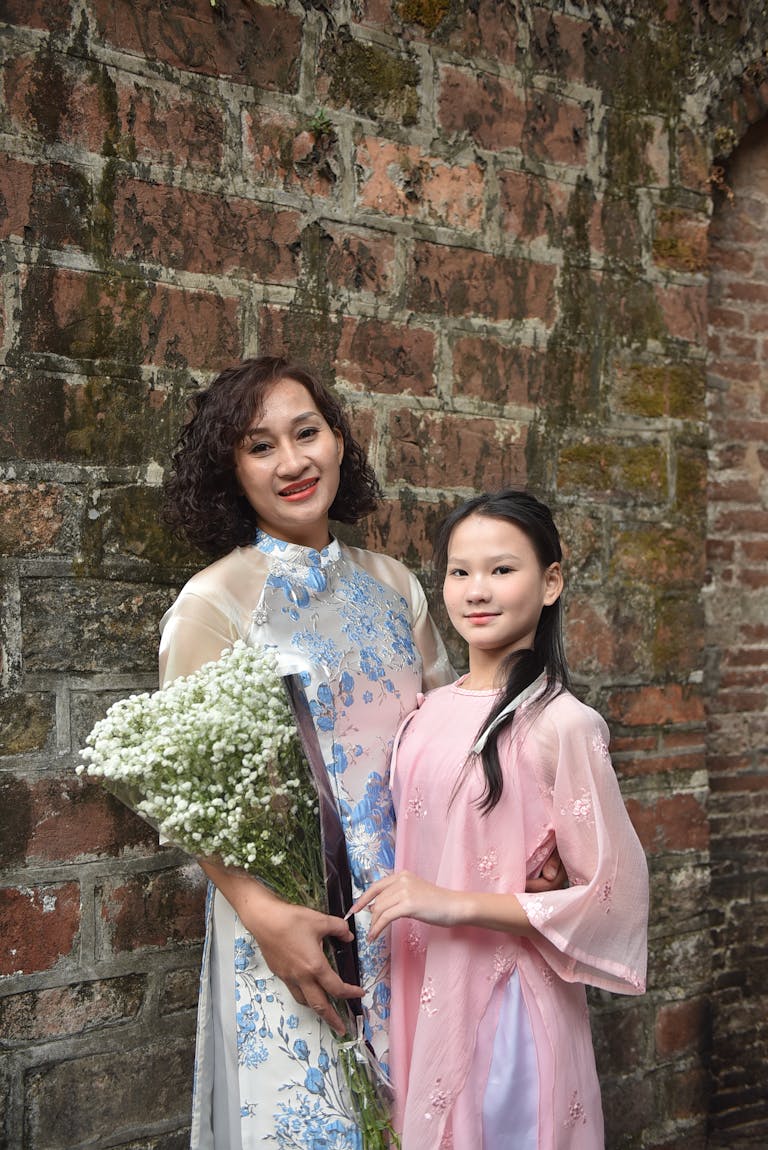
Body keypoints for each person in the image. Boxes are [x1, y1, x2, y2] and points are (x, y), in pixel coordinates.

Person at [155, 355, 455, 1148]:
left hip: (412, 907)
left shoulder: (394, 586)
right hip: (291, 921)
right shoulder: (214, 603)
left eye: (306, 432)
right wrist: (262, 915)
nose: (292, 462)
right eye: (260, 446)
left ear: (337, 442)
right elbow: (189, 792)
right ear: (232, 472)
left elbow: (449, 742)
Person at [351, 490, 649, 1149]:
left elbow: (612, 896)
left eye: (502, 570)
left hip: (504, 1000)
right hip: (417, 981)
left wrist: (453, 901)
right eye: (460, 572)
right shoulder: (424, 711)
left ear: (551, 583)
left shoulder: (562, 724)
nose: (477, 591)